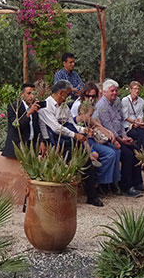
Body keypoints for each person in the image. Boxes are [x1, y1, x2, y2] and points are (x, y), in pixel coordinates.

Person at [38, 79, 104, 207]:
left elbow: (72, 124)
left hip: (70, 139)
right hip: (56, 142)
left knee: (88, 163)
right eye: (67, 94)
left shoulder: (63, 106)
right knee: (67, 166)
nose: (68, 97)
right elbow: (56, 128)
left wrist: (84, 130)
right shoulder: (46, 106)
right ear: (61, 93)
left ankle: (92, 196)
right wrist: (75, 135)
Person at [95, 78, 144, 197]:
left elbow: (120, 120)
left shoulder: (116, 101)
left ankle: (137, 182)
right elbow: (107, 126)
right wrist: (120, 139)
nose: (114, 93)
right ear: (105, 92)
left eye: (116, 91)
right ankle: (125, 187)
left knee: (136, 150)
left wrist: (124, 136)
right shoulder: (102, 105)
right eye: (112, 91)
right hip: (108, 138)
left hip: (119, 135)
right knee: (127, 155)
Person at [75, 99, 123, 196]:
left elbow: (98, 125)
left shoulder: (89, 120)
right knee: (110, 153)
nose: (91, 117)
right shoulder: (76, 122)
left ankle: (112, 181)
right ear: (82, 113)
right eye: (89, 115)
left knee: (117, 152)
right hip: (86, 142)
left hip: (94, 140)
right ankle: (100, 181)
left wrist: (110, 134)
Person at [1, 82, 47, 158]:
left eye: (33, 93)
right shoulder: (14, 107)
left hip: (31, 147)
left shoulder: (34, 107)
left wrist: (41, 142)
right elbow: (16, 125)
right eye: (29, 93)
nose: (32, 96)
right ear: (22, 95)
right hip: (17, 148)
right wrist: (29, 113)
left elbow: (37, 127)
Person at [122, 80, 144, 150]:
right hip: (128, 126)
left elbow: (140, 114)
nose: (137, 91)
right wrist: (134, 122)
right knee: (139, 136)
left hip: (137, 125)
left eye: (138, 89)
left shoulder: (141, 101)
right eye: (135, 89)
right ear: (130, 90)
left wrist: (140, 121)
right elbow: (125, 116)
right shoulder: (125, 100)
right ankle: (140, 153)